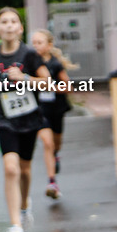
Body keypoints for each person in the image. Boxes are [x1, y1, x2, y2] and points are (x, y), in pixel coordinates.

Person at [0, 7, 51, 232]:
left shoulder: (29, 55)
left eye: (13, 21)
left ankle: (25, 204)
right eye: (3, 22)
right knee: (11, 169)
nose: (8, 25)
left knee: (25, 170)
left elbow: (48, 83)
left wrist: (25, 78)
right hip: (4, 118)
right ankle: (15, 225)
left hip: (28, 118)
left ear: (20, 28)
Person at [31, 29, 76, 193]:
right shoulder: (30, 64)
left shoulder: (55, 65)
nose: (36, 46)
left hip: (57, 108)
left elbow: (68, 86)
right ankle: (52, 182)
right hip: (39, 110)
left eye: (39, 43)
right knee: (47, 143)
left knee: (56, 142)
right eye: (34, 43)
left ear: (49, 46)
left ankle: (56, 155)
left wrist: (52, 87)